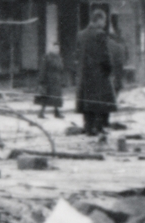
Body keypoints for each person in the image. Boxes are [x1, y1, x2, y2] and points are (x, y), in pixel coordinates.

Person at [76, 8, 117, 137]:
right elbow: (105, 55)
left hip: (84, 74)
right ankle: (98, 127)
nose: (104, 24)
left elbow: (77, 55)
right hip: (98, 74)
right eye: (104, 20)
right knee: (100, 102)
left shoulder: (81, 34)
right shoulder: (100, 34)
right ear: (99, 19)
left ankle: (88, 127)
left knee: (87, 102)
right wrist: (109, 69)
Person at [37, 41, 66, 118]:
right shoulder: (47, 57)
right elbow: (43, 69)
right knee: (46, 96)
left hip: (57, 80)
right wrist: (42, 81)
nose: (57, 49)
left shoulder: (59, 58)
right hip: (49, 80)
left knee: (56, 97)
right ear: (51, 48)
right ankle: (41, 112)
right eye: (55, 47)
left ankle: (57, 112)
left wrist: (62, 80)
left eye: (58, 48)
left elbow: (61, 69)